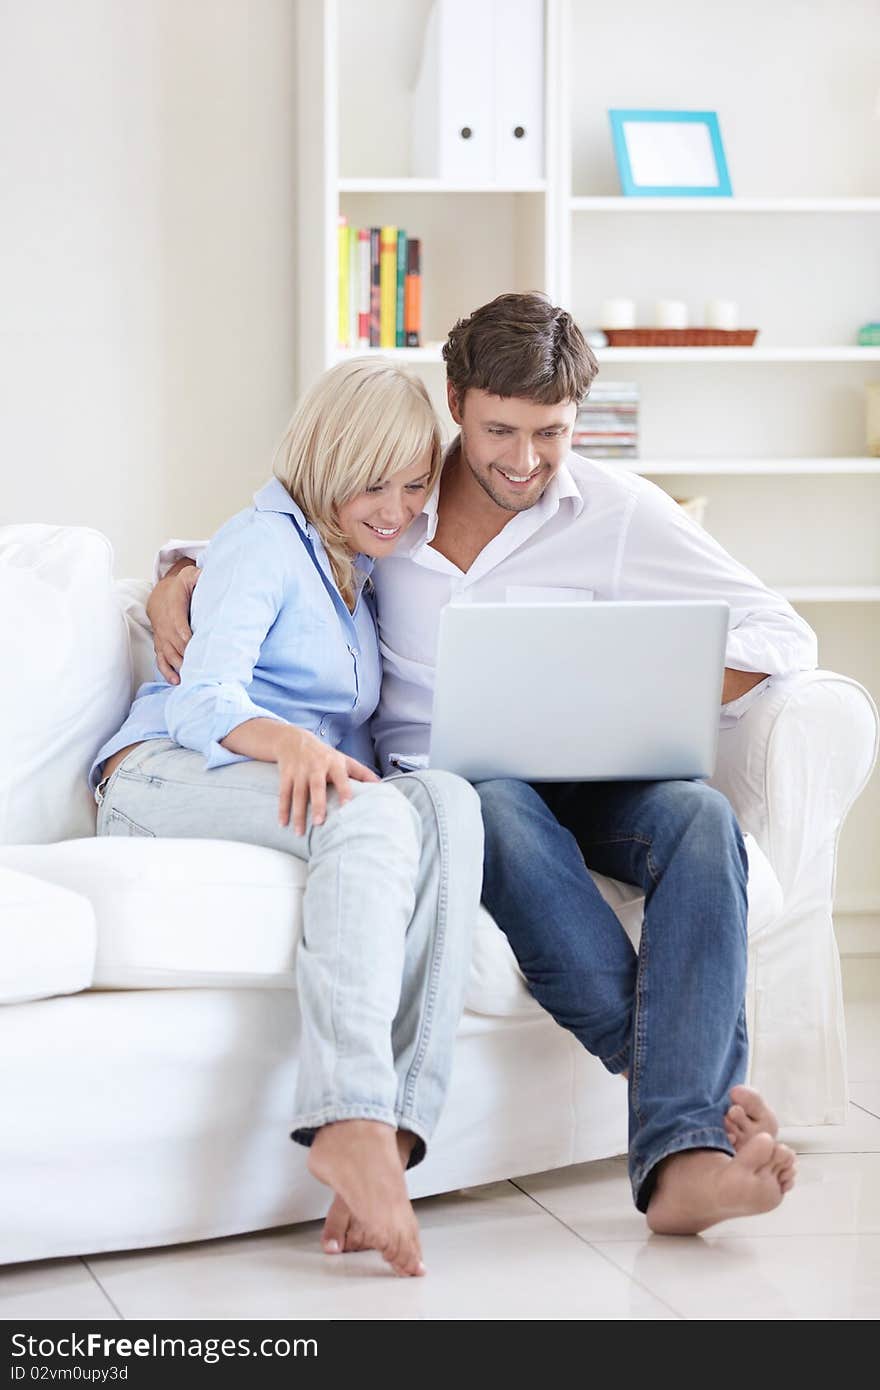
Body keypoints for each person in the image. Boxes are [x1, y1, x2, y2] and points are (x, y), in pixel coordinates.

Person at [151, 293, 813, 1236]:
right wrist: (179, 579)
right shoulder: (394, 502)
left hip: (601, 769)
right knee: (490, 802)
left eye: (550, 433)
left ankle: (688, 1137)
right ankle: (692, 1137)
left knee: (704, 820)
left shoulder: (619, 510)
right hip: (460, 782)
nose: (523, 459)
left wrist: (644, 664)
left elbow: (784, 634)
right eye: (500, 428)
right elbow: (273, 540)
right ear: (456, 402)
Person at [90, 358, 485, 1277]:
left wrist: (175, 567)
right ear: (324, 465)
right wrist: (295, 744)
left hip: (271, 777)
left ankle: (394, 1136)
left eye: (414, 483)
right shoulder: (264, 545)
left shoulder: (361, 560)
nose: (394, 507)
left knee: (453, 804)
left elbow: (206, 558)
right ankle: (349, 1114)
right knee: (371, 813)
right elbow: (202, 702)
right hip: (161, 776)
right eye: (370, 483)